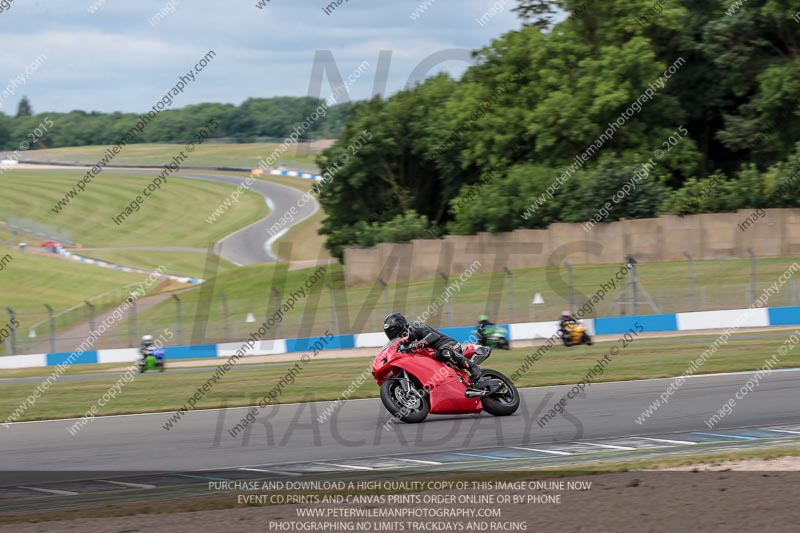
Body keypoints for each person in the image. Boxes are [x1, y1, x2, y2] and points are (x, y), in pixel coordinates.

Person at [383, 312, 483, 384]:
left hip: (448, 345)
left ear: (399, 325)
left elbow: (434, 336)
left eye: (392, 330)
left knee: (443, 352)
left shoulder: (414, 326)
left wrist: (421, 343)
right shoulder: (402, 343)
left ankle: (473, 368)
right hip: (434, 358)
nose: (391, 334)